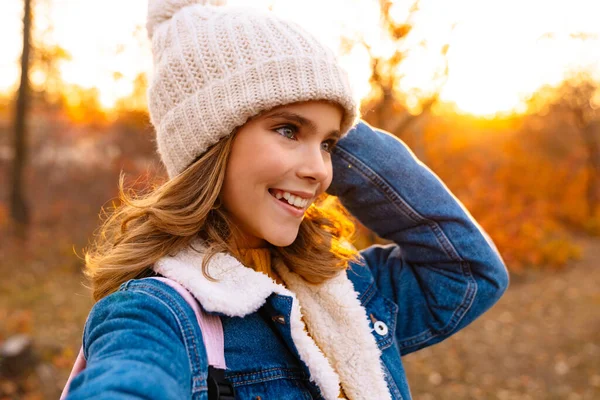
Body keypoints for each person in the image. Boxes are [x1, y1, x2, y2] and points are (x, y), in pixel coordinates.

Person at [64, 0, 509, 399]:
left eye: (330, 144)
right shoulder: (157, 315)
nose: (320, 171)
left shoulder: (349, 289)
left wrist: (323, 125)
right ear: (211, 141)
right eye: (288, 130)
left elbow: (468, 272)